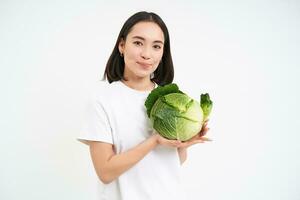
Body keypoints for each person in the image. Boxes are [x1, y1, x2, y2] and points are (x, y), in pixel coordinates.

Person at [77, 11, 210, 200]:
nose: (147, 54)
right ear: (122, 45)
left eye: (156, 46)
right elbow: (105, 172)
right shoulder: (102, 100)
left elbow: (173, 162)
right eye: (138, 43)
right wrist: (154, 141)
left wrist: (185, 141)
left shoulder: (171, 98)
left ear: (163, 52)